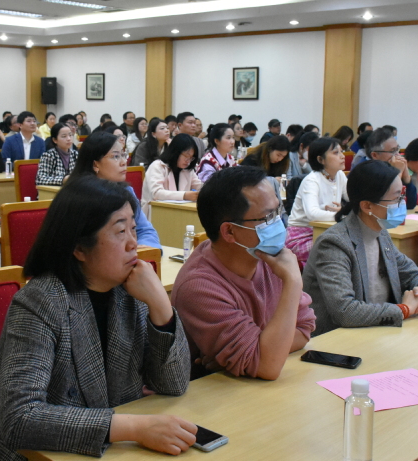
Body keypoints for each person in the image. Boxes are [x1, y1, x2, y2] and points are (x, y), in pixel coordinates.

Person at [0, 175, 192, 459]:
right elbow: (20, 418)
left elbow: (174, 385)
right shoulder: (40, 302)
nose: (133, 244)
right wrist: (133, 427)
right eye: (120, 231)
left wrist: (161, 306)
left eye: (133, 229)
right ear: (78, 248)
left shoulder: (132, 291)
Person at [171, 166, 315, 380]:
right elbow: (267, 366)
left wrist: (258, 350)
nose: (278, 222)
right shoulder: (198, 287)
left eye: (278, 211)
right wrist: (293, 283)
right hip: (212, 395)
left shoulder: (268, 256)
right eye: (268, 217)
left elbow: (304, 328)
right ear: (229, 231)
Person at [303, 160, 418, 336]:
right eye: (396, 198)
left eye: (402, 195)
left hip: (374, 333)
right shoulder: (334, 243)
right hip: (336, 339)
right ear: (367, 206)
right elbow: (345, 311)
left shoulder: (380, 233)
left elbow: (413, 273)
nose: (402, 203)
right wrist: (404, 309)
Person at [69, 132, 161, 249]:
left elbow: (144, 229)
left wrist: (146, 248)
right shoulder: (79, 196)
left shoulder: (126, 191)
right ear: (95, 165)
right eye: (116, 156)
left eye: (123, 155)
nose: (124, 162)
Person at [285, 137, 348, 266]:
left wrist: (346, 211)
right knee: (338, 251)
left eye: (342, 151)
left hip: (326, 232)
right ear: (320, 159)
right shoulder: (312, 180)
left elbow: (355, 200)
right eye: (336, 153)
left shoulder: (340, 175)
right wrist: (342, 215)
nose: (342, 156)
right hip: (301, 236)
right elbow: (313, 214)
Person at [142, 134, 203, 219]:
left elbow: (199, 185)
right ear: (175, 152)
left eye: (191, 158)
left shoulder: (187, 170)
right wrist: (184, 195)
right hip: (155, 214)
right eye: (186, 156)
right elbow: (156, 193)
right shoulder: (157, 166)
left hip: (178, 213)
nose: (188, 161)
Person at [363, 128, 417, 210]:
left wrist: (406, 178)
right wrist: (397, 173)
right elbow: (387, 206)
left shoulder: (391, 168)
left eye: (397, 149)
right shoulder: (366, 172)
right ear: (374, 155)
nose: (397, 155)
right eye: (392, 151)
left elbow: (411, 204)